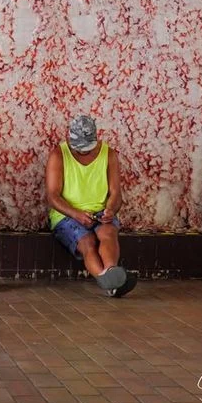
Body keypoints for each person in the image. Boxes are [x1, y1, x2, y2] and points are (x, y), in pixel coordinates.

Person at [45, 115, 136, 297]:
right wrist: (76, 214)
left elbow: (116, 193)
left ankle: (111, 274)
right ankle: (108, 281)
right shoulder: (58, 155)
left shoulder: (108, 154)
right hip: (67, 214)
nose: (83, 153)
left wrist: (111, 209)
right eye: (79, 150)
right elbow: (52, 196)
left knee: (108, 233)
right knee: (88, 242)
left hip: (100, 211)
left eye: (87, 149)